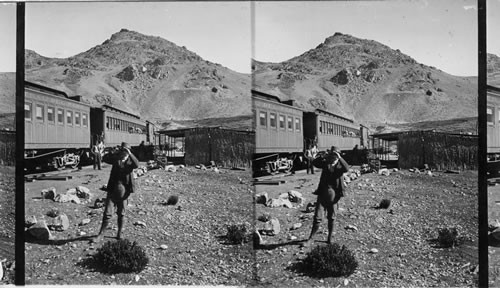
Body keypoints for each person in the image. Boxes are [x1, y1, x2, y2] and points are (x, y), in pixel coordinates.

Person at [303, 146, 349, 246]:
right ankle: (311, 238)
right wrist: (324, 156)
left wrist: (340, 157)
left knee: (332, 217)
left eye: (335, 157)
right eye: (332, 156)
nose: (333, 159)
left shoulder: (340, 166)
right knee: (317, 217)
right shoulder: (326, 163)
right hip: (323, 194)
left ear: (337, 157)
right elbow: (315, 163)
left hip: (335, 196)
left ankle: (330, 238)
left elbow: (347, 168)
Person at [93, 142, 139, 242]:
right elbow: (105, 158)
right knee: (107, 213)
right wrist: (113, 152)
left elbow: (137, 164)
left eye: (125, 152)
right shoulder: (116, 159)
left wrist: (130, 154)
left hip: (124, 192)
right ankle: (101, 234)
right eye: (123, 152)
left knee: (121, 214)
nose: (124, 154)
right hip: (113, 190)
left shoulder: (130, 162)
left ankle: (119, 233)